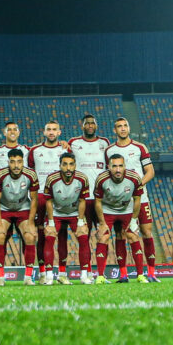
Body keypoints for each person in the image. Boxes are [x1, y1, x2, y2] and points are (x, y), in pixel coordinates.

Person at [105, 117, 158, 282]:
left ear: (128, 128)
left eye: (125, 126)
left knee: (146, 232)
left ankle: (151, 273)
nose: (122, 129)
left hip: (140, 198)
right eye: (119, 126)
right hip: (119, 201)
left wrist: (137, 185)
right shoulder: (109, 150)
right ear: (115, 130)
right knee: (120, 234)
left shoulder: (139, 147)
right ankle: (123, 274)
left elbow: (150, 171)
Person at [66, 114, 109, 281]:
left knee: (103, 235)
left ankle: (101, 274)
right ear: (82, 126)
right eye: (87, 123)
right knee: (84, 235)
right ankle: (87, 272)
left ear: (96, 126)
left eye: (93, 123)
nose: (90, 126)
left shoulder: (104, 143)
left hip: (101, 199)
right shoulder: (73, 143)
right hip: (82, 198)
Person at [94, 154, 148, 283]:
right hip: (107, 211)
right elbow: (97, 202)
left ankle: (140, 275)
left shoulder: (134, 178)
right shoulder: (101, 179)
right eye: (114, 166)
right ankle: (100, 276)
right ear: (109, 167)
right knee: (104, 237)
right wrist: (102, 223)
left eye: (120, 166)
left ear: (125, 166)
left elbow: (137, 200)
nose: (117, 170)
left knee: (132, 236)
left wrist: (134, 220)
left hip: (126, 210)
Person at [42, 152, 93, 284]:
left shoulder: (82, 179)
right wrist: (51, 222)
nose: (68, 168)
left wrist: (81, 221)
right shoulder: (51, 179)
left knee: (83, 236)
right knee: (49, 236)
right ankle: (49, 277)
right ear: (60, 165)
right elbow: (48, 201)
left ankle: (84, 275)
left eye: (71, 164)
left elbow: (82, 200)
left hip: (74, 213)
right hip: (57, 214)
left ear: (75, 165)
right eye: (65, 164)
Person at [0, 148, 39, 286]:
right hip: (4, 209)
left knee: (30, 236)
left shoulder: (31, 174)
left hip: (23, 208)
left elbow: (34, 199)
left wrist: (30, 222)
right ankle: (0, 277)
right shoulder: (0, 175)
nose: (16, 165)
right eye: (13, 162)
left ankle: (28, 277)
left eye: (19, 162)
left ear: (23, 162)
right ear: (8, 162)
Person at [27, 120, 65, 278]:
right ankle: (43, 272)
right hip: (41, 196)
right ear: (44, 132)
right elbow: (30, 174)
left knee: (61, 233)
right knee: (42, 235)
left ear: (59, 132)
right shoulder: (34, 150)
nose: (51, 132)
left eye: (54, 129)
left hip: (61, 197)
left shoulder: (65, 149)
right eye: (48, 129)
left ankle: (62, 273)